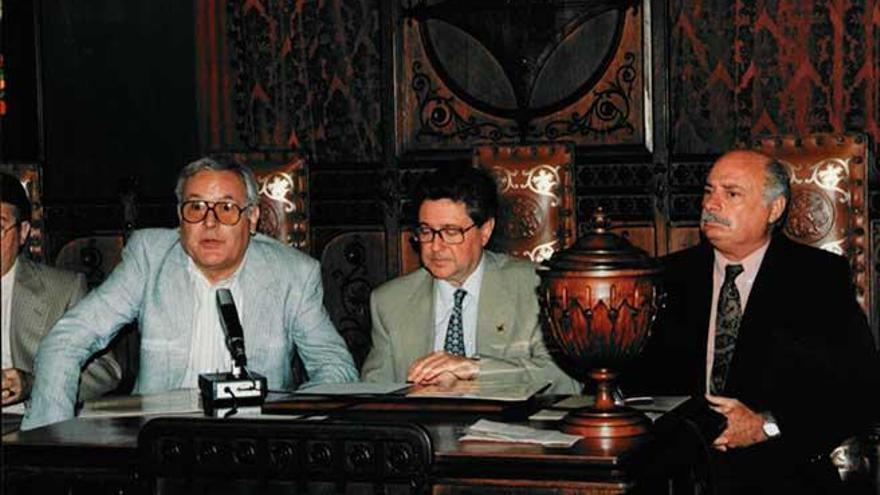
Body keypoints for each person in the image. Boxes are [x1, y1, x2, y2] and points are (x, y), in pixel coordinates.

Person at [22, 157, 357, 430]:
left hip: (256, 448)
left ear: (252, 218)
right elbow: (66, 340)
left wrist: (288, 421)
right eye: (195, 207)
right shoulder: (150, 258)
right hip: (160, 444)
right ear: (180, 217)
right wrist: (52, 443)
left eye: (226, 208)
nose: (209, 223)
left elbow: (337, 369)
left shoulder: (293, 273)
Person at [627, 150, 880, 493]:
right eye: (708, 191)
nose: (711, 205)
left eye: (731, 194)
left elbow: (860, 392)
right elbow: (633, 383)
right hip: (676, 469)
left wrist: (766, 426)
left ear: (774, 209)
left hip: (779, 469)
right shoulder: (666, 276)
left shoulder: (817, 279)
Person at [361, 165, 578, 393]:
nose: (435, 246)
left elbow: (565, 380)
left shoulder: (534, 288)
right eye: (426, 231)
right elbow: (374, 395)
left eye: (451, 232)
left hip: (508, 425)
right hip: (422, 426)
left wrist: (476, 368)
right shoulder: (389, 302)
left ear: (485, 231)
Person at [1, 173, 121, 413]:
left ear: (23, 232)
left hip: (28, 427)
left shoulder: (63, 289)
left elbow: (105, 371)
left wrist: (34, 383)